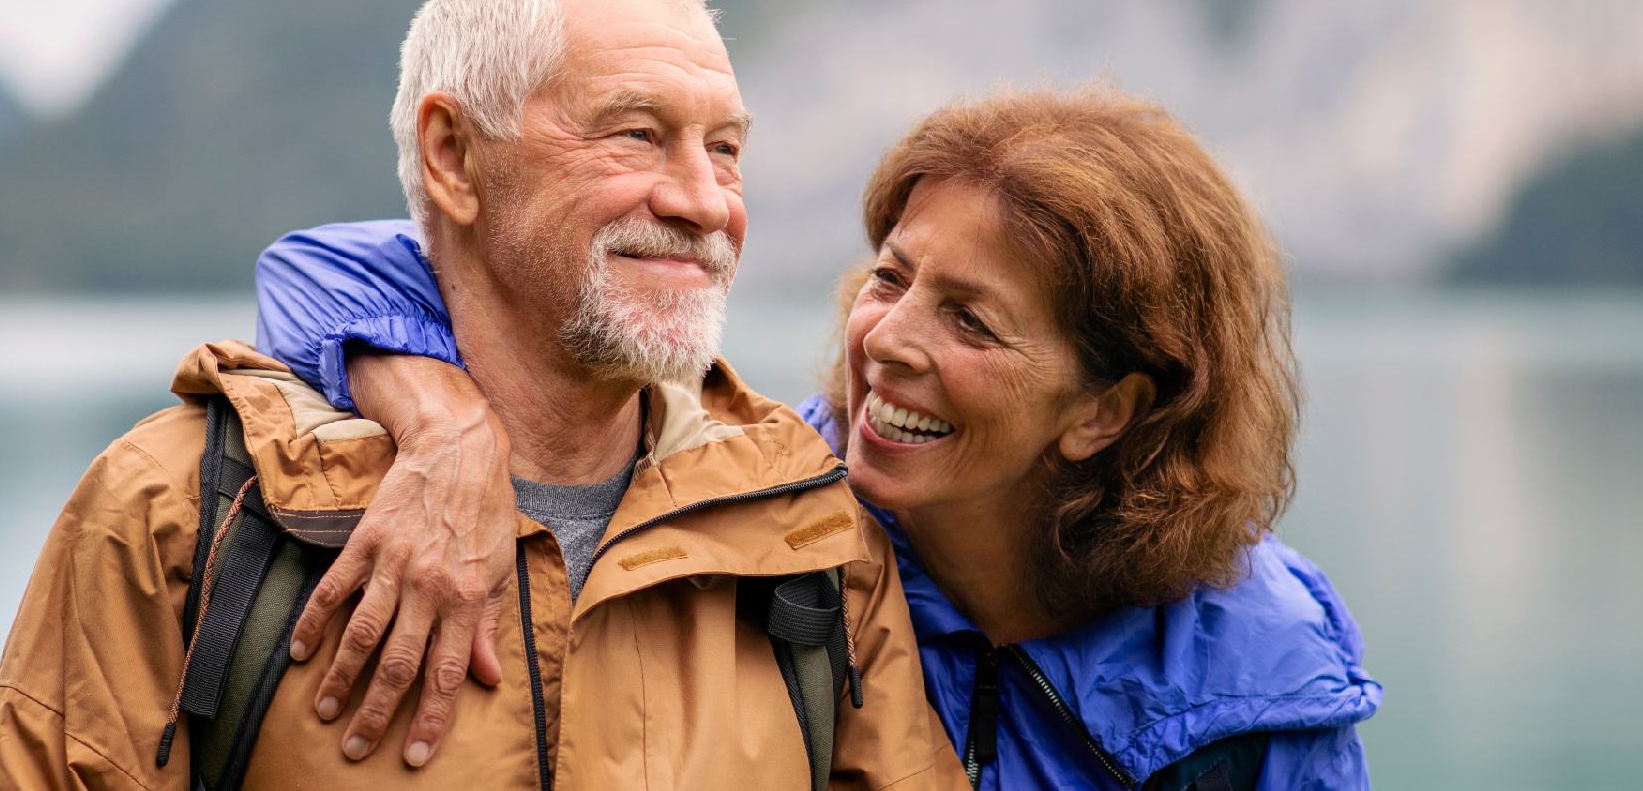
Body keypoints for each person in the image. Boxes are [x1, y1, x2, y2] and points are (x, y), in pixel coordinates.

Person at [0, 0, 961, 788]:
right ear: (452, 156)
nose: (706, 201)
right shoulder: (179, 510)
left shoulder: (811, 532)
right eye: (634, 133)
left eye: (725, 147)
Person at [259, 87, 1385, 789]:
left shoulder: (1259, 674)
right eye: (889, 276)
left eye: (969, 321)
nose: (884, 340)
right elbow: (315, 267)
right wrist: (440, 418)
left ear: (1106, 410)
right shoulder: (755, 504)